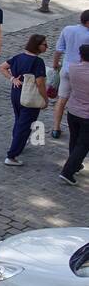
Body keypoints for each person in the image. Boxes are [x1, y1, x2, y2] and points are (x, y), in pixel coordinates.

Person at [0, 34, 49, 166]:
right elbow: (40, 83)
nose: (47, 47)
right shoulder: (38, 62)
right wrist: (45, 99)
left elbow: (2, 67)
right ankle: (12, 155)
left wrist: (12, 79)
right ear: (37, 46)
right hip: (29, 97)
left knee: (19, 119)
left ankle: (17, 140)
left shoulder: (18, 57)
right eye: (45, 44)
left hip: (16, 93)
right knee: (25, 125)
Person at [50, 10, 89, 140]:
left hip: (67, 69)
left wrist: (55, 64)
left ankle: (56, 128)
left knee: (61, 99)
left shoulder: (67, 29)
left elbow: (59, 49)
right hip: (83, 73)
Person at [59, 44, 89, 184]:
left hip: (73, 110)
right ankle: (68, 171)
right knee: (83, 144)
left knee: (74, 140)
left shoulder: (72, 68)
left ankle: (75, 163)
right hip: (86, 115)